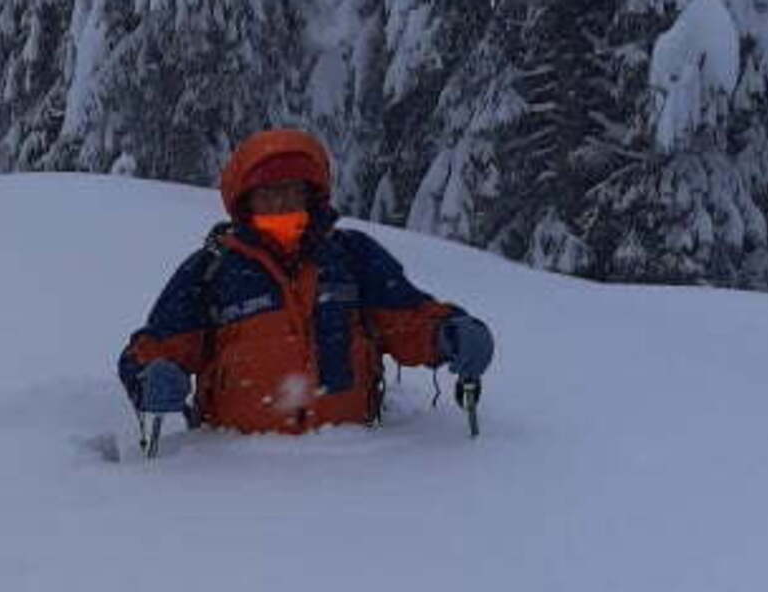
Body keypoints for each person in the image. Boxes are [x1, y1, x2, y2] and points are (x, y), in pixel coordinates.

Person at [118, 129, 493, 435]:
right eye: (268, 194)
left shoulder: (353, 257)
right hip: (235, 479)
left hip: (359, 469)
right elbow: (152, 347)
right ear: (244, 202)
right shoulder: (210, 271)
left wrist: (449, 333)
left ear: (311, 195)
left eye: (291, 191)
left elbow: (408, 319)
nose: (281, 203)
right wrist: (149, 378)